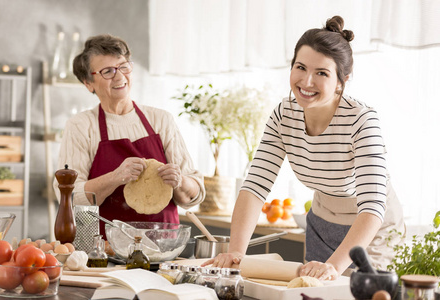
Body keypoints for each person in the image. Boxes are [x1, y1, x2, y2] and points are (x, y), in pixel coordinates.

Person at [202, 16, 405, 280]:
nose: (307, 81)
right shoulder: (283, 115)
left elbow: (372, 205)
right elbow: (254, 187)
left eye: (321, 73)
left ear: (341, 81)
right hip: (322, 220)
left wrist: (333, 266)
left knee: (360, 293)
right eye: (300, 67)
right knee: (311, 292)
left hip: (372, 228)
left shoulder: (362, 120)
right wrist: (236, 255)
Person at [53, 34, 205, 237]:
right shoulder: (81, 126)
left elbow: (195, 194)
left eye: (123, 66)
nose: (119, 76)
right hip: (104, 249)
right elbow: (68, 197)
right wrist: (115, 177)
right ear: (88, 83)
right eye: (108, 71)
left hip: (162, 246)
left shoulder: (161, 120)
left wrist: (180, 181)